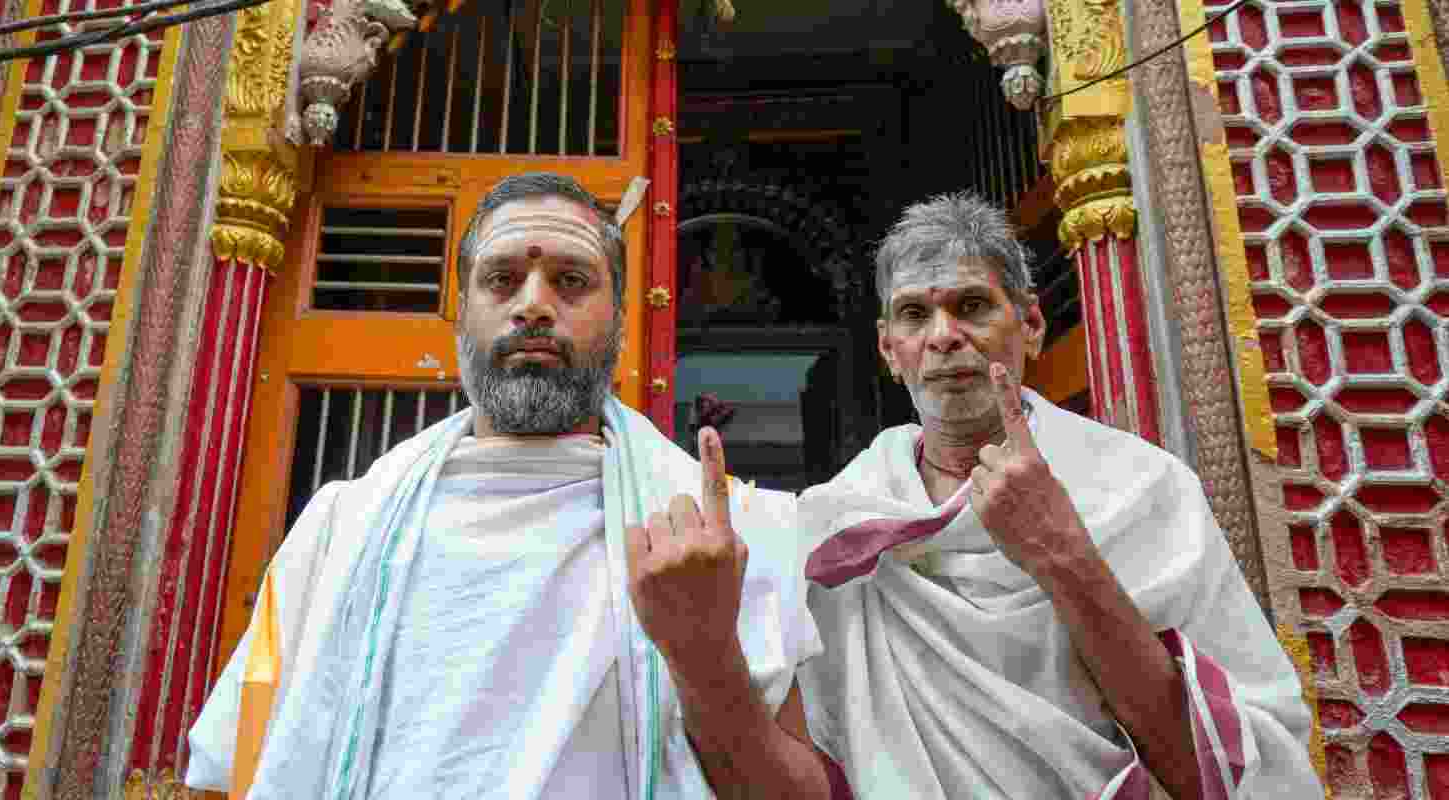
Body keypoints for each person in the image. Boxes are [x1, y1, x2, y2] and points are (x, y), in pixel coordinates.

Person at [185, 173, 833, 800]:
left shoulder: (721, 534)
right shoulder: (340, 528)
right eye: (501, 280)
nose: (533, 305)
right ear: (461, 314)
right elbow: (236, 773)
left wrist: (704, 654)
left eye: (571, 281)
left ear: (621, 320)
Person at [796, 192, 1323, 799]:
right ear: (890, 350)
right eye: (915, 315)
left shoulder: (1139, 488)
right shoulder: (840, 525)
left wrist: (1062, 554)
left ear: (1032, 325)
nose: (943, 337)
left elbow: (1226, 765)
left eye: (972, 306)